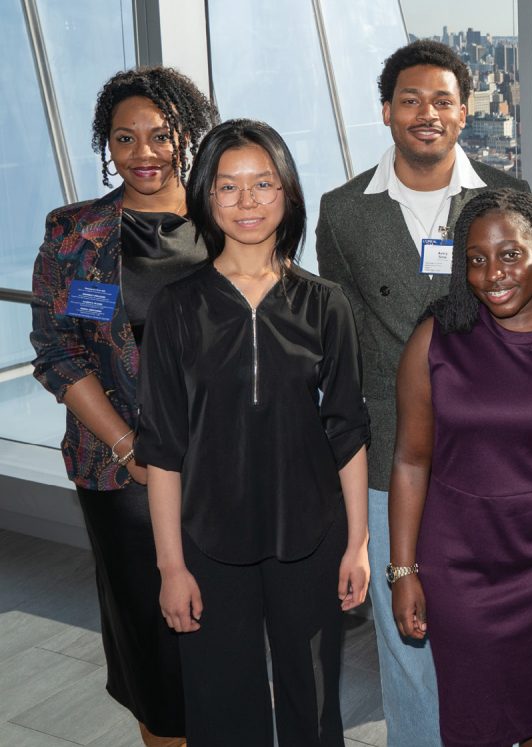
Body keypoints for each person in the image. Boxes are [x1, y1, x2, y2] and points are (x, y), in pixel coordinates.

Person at [314, 39, 528, 744]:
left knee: (491, 627)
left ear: (466, 111)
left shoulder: (506, 196)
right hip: (388, 453)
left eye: (442, 100)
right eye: (410, 100)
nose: (426, 114)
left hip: (489, 454)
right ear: (385, 112)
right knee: (405, 639)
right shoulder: (343, 211)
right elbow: (341, 339)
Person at [138, 118, 370, 746]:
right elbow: (161, 448)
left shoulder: (325, 303)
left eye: (263, 184)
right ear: (205, 198)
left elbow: (347, 429)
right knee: (221, 709)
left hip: (311, 535)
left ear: (287, 193)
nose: (247, 203)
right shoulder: (177, 306)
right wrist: (170, 567)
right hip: (209, 542)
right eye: (228, 186)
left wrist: (358, 544)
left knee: (314, 707)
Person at [28, 65, 216, 747]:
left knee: (226, 637)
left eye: (161, 135)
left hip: (226, 471)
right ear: (105, 145)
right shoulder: (75, 235)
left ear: (187, 136)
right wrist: (131, 448)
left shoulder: (230, 219)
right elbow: (56, 350)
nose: (143, 153)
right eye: (124, 138)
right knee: (152, 642)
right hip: (121, 475)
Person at [386, 189, 532, 747]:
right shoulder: (437, 340)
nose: (492, 274)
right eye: (477, 260)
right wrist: (403, 570)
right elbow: (411, 461)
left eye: (509, 254)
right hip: (461, 565)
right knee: (474, 720)